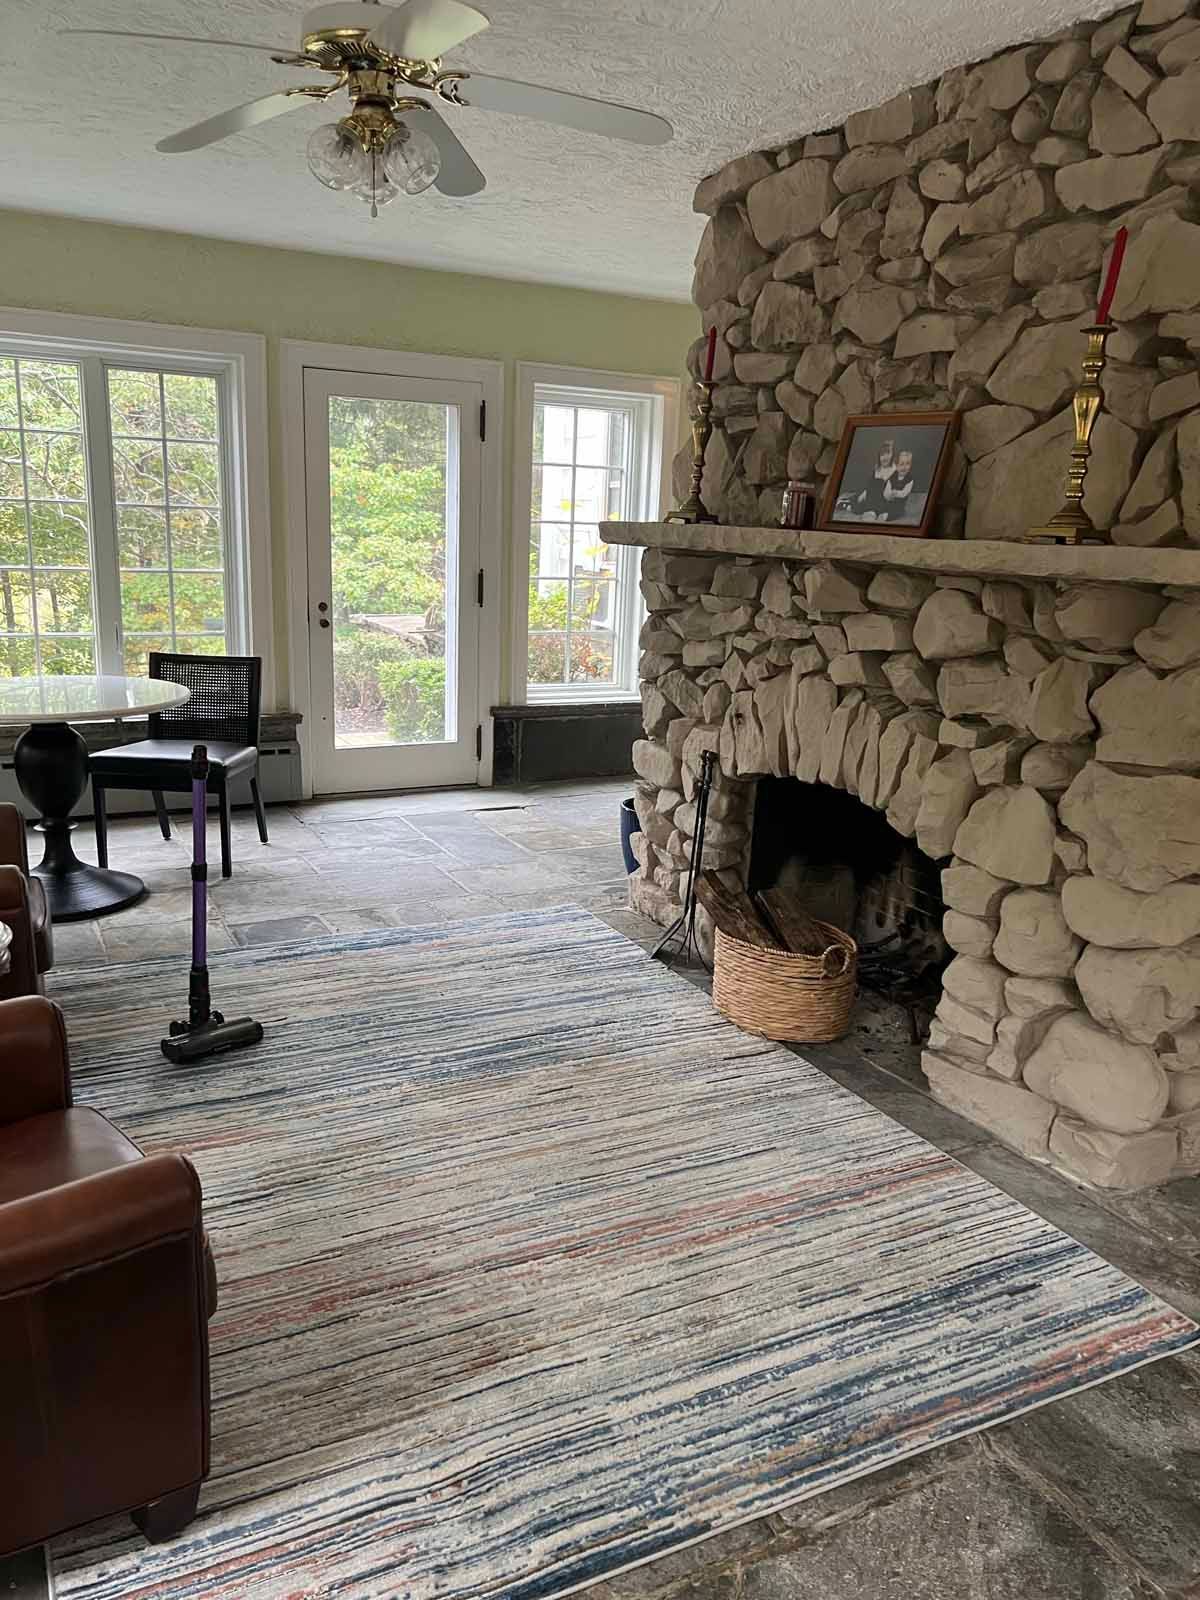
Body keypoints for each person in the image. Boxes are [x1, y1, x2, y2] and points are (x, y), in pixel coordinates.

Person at [852, 439, 896, 519]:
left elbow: (892, 489)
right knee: (858, 502)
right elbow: (870, 485)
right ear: (879, 456)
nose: (885, 457)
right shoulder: (877, 468)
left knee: (890, 509)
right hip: (872, 498)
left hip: (885, 498)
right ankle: (849, 504)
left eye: (888, 454)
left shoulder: (894, 469)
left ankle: (873, 511)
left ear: (892, 455)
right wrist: (865, 492)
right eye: (882, 455)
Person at [882, 447, 919, 519]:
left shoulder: (909, 479)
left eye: (907, 464)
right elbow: (886, 490)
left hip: (899, 503)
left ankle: (887, 516)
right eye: (901, 464)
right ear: (896, 465)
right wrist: (888, 495)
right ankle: (880, 512)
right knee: (881, 504)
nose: (904, 467)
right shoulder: (892, 476)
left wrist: (896, 493)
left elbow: (905, 493)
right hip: (889, 500)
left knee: (897, 511)